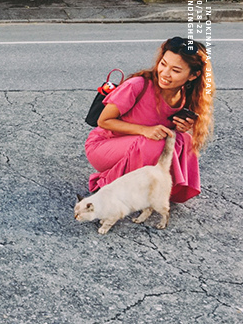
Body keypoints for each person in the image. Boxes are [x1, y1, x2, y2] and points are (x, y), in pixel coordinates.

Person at [85, 37, 214, 203]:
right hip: (104, 145)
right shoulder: (138, 85)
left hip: (139, 147)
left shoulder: (185, 97)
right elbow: (104, 121)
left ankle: (165, 189)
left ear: (193, 75)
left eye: (175, 70)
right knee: (155, 143)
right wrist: (145, 130)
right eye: (163, 64)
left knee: (184, 140)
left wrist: (182, 127)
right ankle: (108, 182)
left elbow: (164, 132)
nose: (165, 73)